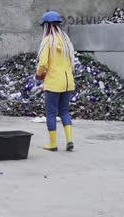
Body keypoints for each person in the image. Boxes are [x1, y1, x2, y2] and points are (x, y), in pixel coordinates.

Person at [35, 11, 75, 152]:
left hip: (53, 82)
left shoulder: (48, 42)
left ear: (46, 25)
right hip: (68, 81)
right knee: (64, 111)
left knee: (51, 113)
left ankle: (53, 144)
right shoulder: (66, 41)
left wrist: (38, 75)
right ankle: (69, 141)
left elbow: (43, 64)